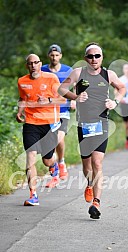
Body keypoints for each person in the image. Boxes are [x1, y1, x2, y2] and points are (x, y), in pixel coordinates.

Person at [58, 42, 126, 219]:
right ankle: (89, 183)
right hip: (84, 125)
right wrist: (76, 97)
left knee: (97, 163)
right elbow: (61, 88)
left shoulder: (108, 74)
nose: (94, 59)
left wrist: (115, 102)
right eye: (90, 56)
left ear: (102, 57)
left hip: (102, 123)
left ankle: (96, 202)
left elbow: (122, 88)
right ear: (85, 58)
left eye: (97, 56)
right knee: (87, 165)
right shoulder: (78, 73)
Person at [16, 53, 65, 206]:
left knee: (46, 160)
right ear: (27, 66)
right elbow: (23, 98)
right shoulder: (22, 81)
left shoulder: (51, 79)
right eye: (30, 63)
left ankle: (53, 165)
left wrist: (49, 100)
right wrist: (19, 112)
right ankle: (33, 195)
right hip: (31, 123)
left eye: (36, 63)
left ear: (40, 63)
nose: (33, 66)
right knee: (30, 157)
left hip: (49, 124)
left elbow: (63, 99)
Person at [41, 44, 74, 188]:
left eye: (57, 55)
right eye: (52, 55)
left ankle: (58, 165)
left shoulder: (68, 70)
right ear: (49, 56)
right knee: (56, 141)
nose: (54, 57)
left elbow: (77, 85)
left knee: (57, 138)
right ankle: (59, 165)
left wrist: (73, 99)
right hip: (47, 111)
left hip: (63, 110)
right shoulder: (42, 70)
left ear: (61, 56)